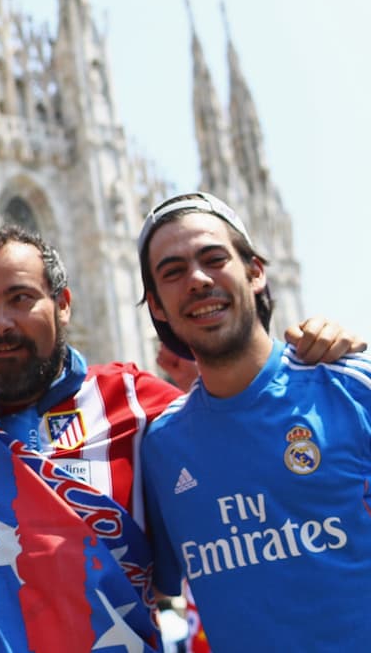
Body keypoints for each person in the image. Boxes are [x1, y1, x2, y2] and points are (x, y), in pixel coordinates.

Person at [0, 224, 361, 652]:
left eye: (21, 298)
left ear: (63, 304)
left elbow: (245, 417)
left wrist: (309, 365)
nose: (0, 324)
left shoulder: (141, 407)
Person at [137, 191, 371, 652]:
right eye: (173, 272)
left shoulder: (352, 389)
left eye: (214, 259)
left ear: (255, 272)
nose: (197, 279)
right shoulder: (161, 446)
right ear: (157, 306)